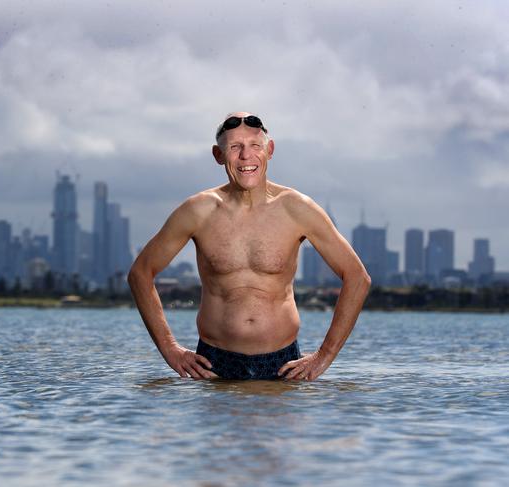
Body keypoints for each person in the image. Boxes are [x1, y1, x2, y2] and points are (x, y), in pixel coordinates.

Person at [128, 112, 371, 381]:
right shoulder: (198, 211)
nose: (246, 156)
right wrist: (170, 349)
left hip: (281, 363)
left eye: (255, 146)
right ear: (218, 156)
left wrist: (324, 356)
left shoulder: (297, 209)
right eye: (235, 147)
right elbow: (140, 273)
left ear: (270, 150)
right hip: (213, 363)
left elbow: (358, 277)